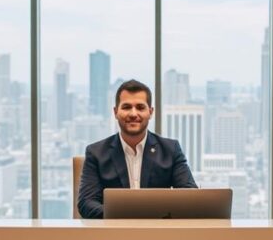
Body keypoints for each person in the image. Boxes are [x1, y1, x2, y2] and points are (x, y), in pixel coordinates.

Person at [77, 79, 197, 219]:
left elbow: (190, 197)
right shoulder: (96, 153)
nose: (133, 114)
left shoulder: (170, 150)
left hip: (158, 234)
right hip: (113, 235)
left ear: (150, 112)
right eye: (126, 107)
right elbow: (87, 203)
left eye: (140, 107)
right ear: (116, 112)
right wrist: (126, 217)